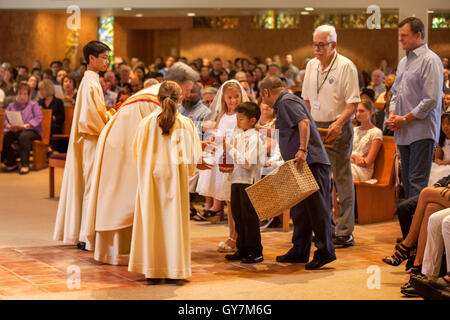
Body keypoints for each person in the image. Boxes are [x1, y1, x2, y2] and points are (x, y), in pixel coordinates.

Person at [82, 62, 198, 265]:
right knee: (137, 201)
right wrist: (195, 156)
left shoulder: (156, 95)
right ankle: (153, 257)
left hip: (124, 149)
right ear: (177, 85)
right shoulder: (157, 102)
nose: (187, 95)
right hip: (124, 153)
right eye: (187, 90)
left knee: (126, 200)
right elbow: (167, 139)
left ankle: (131, 252)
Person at [128, 80, 211, 280]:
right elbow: (191, 158)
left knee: (152, 221)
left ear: (157, 98)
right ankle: (175, 270)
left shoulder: (146, 123)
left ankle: (153, 270)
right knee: (173, 222)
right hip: (174, 180)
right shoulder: (185, 123)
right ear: (180, 98)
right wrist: (196, 162)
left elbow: (136, 153)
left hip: (151, 179)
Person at [260, 75, 336, 269]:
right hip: (300, 164)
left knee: (317, 210)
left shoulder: (286, 101)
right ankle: (299, 250)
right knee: (301, 210)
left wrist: (302, 149)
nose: (263, 101)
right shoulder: (285, 103)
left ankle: (325, 252)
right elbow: (288, 131)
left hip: (310, 162)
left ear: (267, 92)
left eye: (262, 96)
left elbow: (303, 122)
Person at [302, 24, 361, 248]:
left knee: (342, 178)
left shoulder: (346, 66)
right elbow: (306, 100)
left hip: (339, 125)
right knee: (319, 180)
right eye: (314, 44)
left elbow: (353, 103)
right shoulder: (311, 66)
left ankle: (345, 231)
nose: (316, 49)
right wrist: (307, 123)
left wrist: (338, 123)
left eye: (321, 45)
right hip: (316, 125)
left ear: (333, 45)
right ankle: (326, 227)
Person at [53, 40, 111, 248]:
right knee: (91, 186)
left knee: (91, 186)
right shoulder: (90, 82)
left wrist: (107, 115)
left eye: (108, 58)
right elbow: (88, 119)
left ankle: (86, 235)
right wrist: (109, 124)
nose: (107, 61)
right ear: (91, 59)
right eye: (104, 57)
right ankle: (86, 237)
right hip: (91, 140)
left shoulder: (92, 80)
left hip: (91, 139)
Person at [386, 17, 443, 199]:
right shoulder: (404, 62)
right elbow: (395, 92)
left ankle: (416, 228)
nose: (400, 39)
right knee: (406, 182)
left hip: (421, 131)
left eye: (404, 36)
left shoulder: (430, 60)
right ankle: (409, 227)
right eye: (399, 35)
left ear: (418, 35)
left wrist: (405, 119)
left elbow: (430, 100)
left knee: (416, 182)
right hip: (403, 131)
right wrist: (393, 114)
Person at [194, 80, 249, 254]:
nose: (233, 101)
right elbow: (219, 132)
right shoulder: (222, 115)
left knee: (234, 201)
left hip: (234, 158)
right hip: (221, 157)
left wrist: (225, 140)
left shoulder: (241, 115)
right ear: (224, 99)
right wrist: (213, 140)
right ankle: (231, 234)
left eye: (236, 97)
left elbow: (243, 136)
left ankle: (236, 237)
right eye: (229, 98)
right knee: (227, 199)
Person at [223, 102, 266, 263]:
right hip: (236, 180)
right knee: (238, 216)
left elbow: (248, 163)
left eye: (241, 119)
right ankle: (242, 248)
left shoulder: (254, 138)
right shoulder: (239, 136)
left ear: (252, 120)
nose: (237, 122)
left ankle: (255, 251)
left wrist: (230, 149)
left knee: (249, 218)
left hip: (249, 182)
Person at [2, 82, 43, 174]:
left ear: (29, 95)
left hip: (31, 131)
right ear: (17, 95)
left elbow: (38, 118)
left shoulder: (33, 105)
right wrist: (10, 126)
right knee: (7, 137)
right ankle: (11, 163)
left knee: (24, 136)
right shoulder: (11, 105)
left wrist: (25, 126)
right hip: (15, 130)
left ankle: (25, 164)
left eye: (25, 94)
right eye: (20, 94)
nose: (22, 96)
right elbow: (5, 120)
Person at [351, 100, 383, 182]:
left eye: (361, 111)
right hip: (349, 164)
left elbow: (367, 162)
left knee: (341, 171)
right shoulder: (354, 130)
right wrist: (354, 156)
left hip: (363, 170)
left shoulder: (376, 132)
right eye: (356, 111)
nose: (357, 114)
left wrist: (350, 158)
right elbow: (343, 155)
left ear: (371, 112)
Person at [37, 79, 65, 153]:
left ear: (48, 89)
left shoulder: (58, 102)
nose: (41, 92)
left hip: (54, 125)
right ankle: (41, 149)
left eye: (42, 90)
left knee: (51, 127)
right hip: (43, 124)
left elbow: (62, 117)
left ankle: (49, 148)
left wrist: (54, 118)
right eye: (40, 90)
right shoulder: (40, 102)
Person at [428, 112, 450, 186]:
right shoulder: (441, 139)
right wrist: (441, 162)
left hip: (448, 166)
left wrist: (446, 163)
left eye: (448, 124)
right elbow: (437, 158)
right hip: (443, 164)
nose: (445, 126)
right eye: (443, 124)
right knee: (430, 170)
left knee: (444, 171)